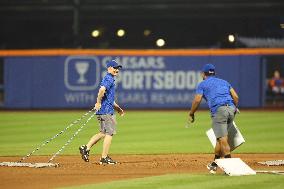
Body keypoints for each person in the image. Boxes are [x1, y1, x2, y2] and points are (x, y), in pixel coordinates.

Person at [188, 64, 239, 174]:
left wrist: (191, 113)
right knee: (219, 139)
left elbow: (197, 100)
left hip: (219, 111)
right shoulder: (224, 82)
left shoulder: (202, 84)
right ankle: (214, 164)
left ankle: (230, 168)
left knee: (223, 140)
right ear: (214, 73)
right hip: (231, 109)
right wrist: (235, 107)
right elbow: (235, 96)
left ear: (203, 74)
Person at [79, 60, 125, 165]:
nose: (116, 70)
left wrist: (118, 108)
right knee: (110, 133)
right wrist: (98, 102)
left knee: (103, 133)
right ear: (109, 68)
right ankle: (104, 158)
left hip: (104, 110)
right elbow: (101, 90)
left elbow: (109, 98)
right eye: (114, 67)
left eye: (118, 68)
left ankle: (86, 148)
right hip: (106, 111)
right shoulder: (109, 78)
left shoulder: (109, 78)